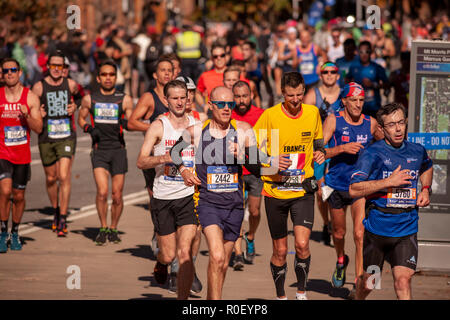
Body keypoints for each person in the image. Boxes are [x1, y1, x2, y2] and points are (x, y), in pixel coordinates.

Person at [170, 86, 270, 299]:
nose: (227, 108)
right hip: (208, 203)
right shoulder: (197, 131)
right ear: (210, 104)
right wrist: (185, 171)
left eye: (230, 104)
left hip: (234, 205)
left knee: (222, 263)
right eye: (221, 104)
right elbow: (175, 151)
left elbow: (258, 169)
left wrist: (243, 155)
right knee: (216, 256)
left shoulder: (243, 130)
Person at [253, 72, 326, 300]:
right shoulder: (270, 116)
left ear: (304, 92)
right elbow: (253, 150)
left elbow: (318, 142)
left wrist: (320, 153)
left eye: (299, 94)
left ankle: (301, 293)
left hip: (302, 190)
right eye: (290, 95)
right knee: (281, 250)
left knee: (302, 244)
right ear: (282, 93)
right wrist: (271, 162)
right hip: (275, 190)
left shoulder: (313, 113)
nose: (295, 100)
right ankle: (280, 296)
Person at [349, 102, 433, 300]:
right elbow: (353, 189)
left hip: (407, 228)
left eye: (401, 123)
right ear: (381, 128)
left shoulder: (416, 150)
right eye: (391, 125)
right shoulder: (372, 153)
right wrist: (388, 182)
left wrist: (426, 189)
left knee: (403, 280)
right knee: (370, 283)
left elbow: (427, 166)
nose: (397, 129)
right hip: (378, 230)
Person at [136, 80, 199, 300]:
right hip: (163, 196)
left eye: (183, 97)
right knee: (169, 253)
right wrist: (166, 158)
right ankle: (161, 263)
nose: (180, 102)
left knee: (185, 253)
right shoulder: (158, 126)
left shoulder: (196, 124)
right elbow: (141, 161)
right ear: (166, 100)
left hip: (189, 196)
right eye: (175, 98)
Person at [322, 82, 383, 295]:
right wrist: (341, 149)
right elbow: (318, 150)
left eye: (361, 100)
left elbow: (386, 146)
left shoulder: (371, 122)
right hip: (336, 185)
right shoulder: (333, 120)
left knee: (359, 234)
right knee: (338, 233)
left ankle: (358, 283)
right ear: (344, 101)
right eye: (354, 100)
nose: (358, 105)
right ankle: (341, 260)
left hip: (359, 187)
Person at [78, 60, 133, 245]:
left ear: (115, 78)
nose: (108, 78)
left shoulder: (124, 98)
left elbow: (132, 118)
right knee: (102, 192)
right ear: (98, 77)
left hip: (118, 150)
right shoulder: (90, 98)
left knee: (117, 194)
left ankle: (114, 228)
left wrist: (126, 123)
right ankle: (102, 227)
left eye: (111, 75)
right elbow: (80, 118)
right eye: (104, 75)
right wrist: (88, 128)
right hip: (99, 150)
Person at [31, 50, 80, 237]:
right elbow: (31, 108)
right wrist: (38, 114)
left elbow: (84, 99)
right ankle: (55, 210)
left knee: (63, 175)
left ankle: (63, 217)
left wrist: (77, 106)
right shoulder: (39, 87)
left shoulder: (72, 85)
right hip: (46, 138)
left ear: (64, 68)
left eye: (60, 66)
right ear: (48, 67)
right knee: (51, 178)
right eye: (54, 66)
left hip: (67, 137)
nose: (57, 69)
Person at [0, 58, 42, 253]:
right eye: (6, 71)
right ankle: (2, 232)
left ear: (20, 73)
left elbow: (39, 128)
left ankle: (15, 232)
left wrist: (26, 116)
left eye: (13, 70)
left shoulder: (30, 97)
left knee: (18, 196)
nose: (9, 73)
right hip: (3, 153)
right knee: (5, 191)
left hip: (22, 155)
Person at [303, 61, 343, 246]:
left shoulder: (344, 95)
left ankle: (336, 226)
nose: (329, 74)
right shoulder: (313, 94)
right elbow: (303, 120)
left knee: (334, 188)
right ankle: (327, 224)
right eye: (325, 72)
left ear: (338, 74)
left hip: (337, 146)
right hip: (317, 145)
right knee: (320, 192)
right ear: (320, 75)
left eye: (332, 71)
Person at [231, 81, 264, 266]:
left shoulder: (261, 115)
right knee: (236, 212)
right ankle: (237, 252)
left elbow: (270, 142)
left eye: (245, 96)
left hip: (255, 170)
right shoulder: (229, 114)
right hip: (235, 171)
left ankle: (250, 237)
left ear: (251, 95)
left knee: (254, 211)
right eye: (237, 96)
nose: (241, 100)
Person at [346, 41, 388, 118]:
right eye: (361, 52)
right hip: (358, 108)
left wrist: (373, 85)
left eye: (367, 51)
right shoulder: (354, 67)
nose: (364, 54)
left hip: (374, 108)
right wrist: (354, 86)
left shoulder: (377, 67)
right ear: (358, 52)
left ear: (371, 52)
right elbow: (347, 81)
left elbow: (387, 85)